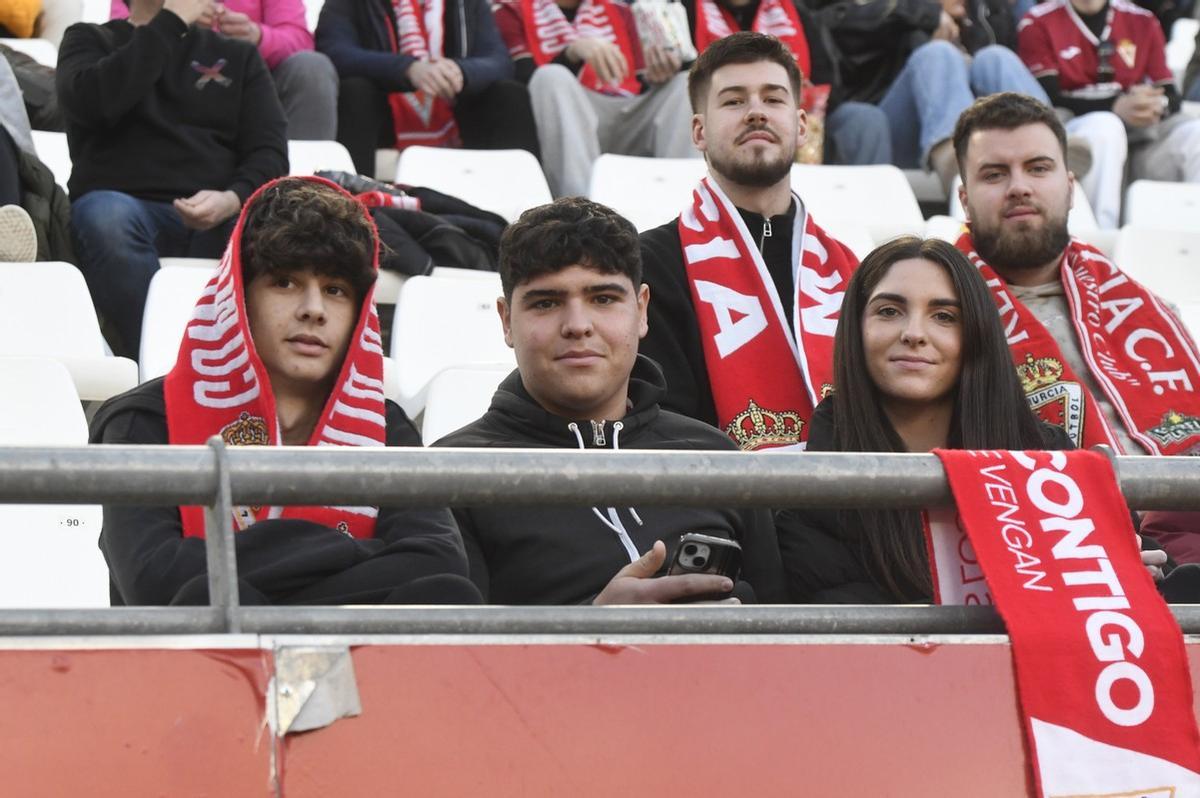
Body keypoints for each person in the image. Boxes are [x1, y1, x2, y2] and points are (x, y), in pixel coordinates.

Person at [89, 177, 477, 606]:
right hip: (197, 667)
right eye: (285, 282)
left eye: (335, 290)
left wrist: (246, 575)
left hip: (356, 667)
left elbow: (440, 566)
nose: (313, 309)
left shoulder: (387, 427)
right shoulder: (142, 421)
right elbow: (160, 584)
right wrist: (348, 550)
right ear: (239, 296)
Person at [776, 236, 1173, 602]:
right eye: (889, 311)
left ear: (977, 337)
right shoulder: (811, 483)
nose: (914, 333)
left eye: (945, 317)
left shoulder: (1051, 460)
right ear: (855, 330)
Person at [434, 196, 786, 605]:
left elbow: (789, 634)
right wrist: (593, 631)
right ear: (507, 321)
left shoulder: (717, 457)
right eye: (545, 303)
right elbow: (454, 659)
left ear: (642, 311)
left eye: (603, 299)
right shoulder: (449, 475)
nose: (578, 326)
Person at [954, 92, 1200, 567]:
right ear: (964, 198)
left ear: (1070, 187)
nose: (1019, 186)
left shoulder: (1149, 308)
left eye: (1038, 168)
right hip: (1051, 548)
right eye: (994, 174)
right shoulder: (939, 317)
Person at [639, 31, 858, 448]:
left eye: (773, 99)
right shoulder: (650, 264)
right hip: (718, 504)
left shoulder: (850, 271)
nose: (756, 112)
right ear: (699, 131)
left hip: (848, 503)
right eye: (734, 100)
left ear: (801, 127)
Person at [58, 0, 288, 359]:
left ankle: (247, 370)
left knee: (284, 228)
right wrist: (171, 22)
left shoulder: (237, 55)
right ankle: (167, 361)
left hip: (222, 215)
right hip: (124, 208)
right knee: (107, 217)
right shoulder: (90, 40)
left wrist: (232, 197)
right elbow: (95, 103)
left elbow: (269, 152)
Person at [809, 0, 1052, 191]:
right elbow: (833, 21)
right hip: (896, 133)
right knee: (937, 55)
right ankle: (956, 158)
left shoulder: (988, 11)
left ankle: (1051, 143)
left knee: (996, 57)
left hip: (989, 139)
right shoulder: (898, 13)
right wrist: (923, 15)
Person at [1018, 0, 1200, 226]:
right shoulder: (1037, 20)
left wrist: (1154, 104)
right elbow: (1049, 97)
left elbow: (1171, 94)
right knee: (1106, 126)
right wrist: (1114, 106)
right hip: (1076, 133)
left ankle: (1194, 239)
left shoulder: (1142, 20)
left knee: (1195, 134)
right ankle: (1101, 241)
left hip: (1142, 138)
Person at [493, 0, 697, 198]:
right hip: (570, 119)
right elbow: (522, 81)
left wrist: (660, 72)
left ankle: (685, 207)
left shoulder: (622, 9)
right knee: (551, 76)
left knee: (686, 83)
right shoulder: (510, 8)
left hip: (629, 114)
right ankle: (580, 212)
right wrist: (571, 52)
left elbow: (639, 81)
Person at [315, 0, 539, 177]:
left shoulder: (470, 3)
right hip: (382, 115)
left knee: (509, 94)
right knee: (355, 91)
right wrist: (408, 69)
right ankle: (352, 210)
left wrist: (460, 71)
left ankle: (527, 213)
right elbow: (334, 51)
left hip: (457, 110)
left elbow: (499, 61)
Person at [679, 0, 892, 165]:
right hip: (725, 123)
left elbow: (829, 85)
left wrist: (791, 96)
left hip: (800, 123)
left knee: (864, 119)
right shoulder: (684, 10)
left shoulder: (796, 13)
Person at [108, 0, 339, 139]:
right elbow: (122, 34)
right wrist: (175, 21)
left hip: (250, 88)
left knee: (313, 68)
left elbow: (299, 39)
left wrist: (256, 35)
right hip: (169, 86)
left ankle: (306, 187)